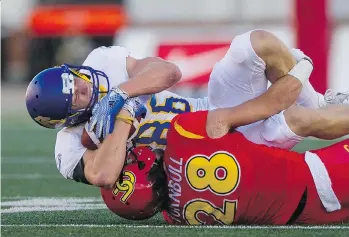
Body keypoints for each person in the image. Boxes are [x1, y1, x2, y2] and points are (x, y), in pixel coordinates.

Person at [25, 29, 348, 188]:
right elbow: (106, 174)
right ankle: (312, 104)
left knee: (254, 43)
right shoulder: (69, 146)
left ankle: (315, 98)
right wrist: (122, 120)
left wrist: (122, 93)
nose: (84, 85)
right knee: (297, 119)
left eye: (75, 79)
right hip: (203, 158)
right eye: (77, 97)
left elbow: (169, 72)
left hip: (213, 110)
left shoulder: (100, 62)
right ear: (68, 120)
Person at [101, 107, 349, 225]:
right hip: (321, 174)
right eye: (130, 161)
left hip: (311, 217)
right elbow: (273, 101)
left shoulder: (177, 220)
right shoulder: (182, 135)